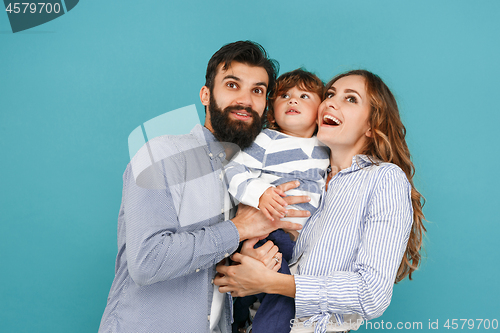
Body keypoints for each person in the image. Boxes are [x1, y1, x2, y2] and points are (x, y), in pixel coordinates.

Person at [98, 41, 310, 333]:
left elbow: (218, 280)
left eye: (257, 90)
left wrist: (250, 266)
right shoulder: (161, 155)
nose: (245, 100)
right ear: (206, 95)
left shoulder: (257, 179)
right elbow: (148, 260)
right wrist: (238, 229)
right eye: (232, 85)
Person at [215, 70, 426, 333]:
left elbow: (371, 295)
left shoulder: (383, 178)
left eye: (351, 99)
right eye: (329, 94)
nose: (331, 103)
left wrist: (269, 281)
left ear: (372, 125)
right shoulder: (303, 170)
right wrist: (250, 257)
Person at [225, 69, 329, 333]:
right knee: (281, 291)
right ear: (272, 111)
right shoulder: (267, 139)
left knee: (276, 291)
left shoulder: (326, 147)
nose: (293, 100)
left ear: (321, 111)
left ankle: (242, 323)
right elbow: (233, 171)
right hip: (268, 233)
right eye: (284, 96)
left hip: (301, 245)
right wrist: (260, 194)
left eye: (304, 96)